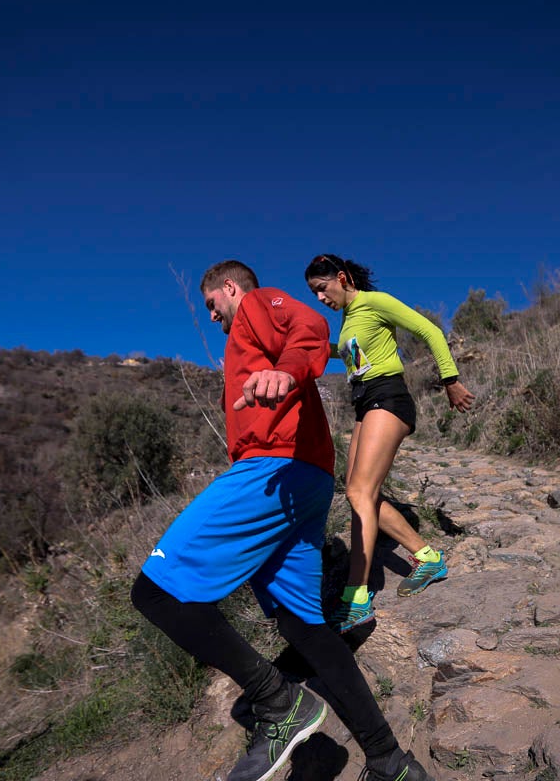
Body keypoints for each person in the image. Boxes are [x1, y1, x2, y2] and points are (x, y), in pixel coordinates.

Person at [130, 260, 432, 781]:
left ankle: (278, 704)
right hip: (304, 481)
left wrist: (286, 370)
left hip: (272, 471)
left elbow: (309, 327)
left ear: (229, 288)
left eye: (210, 304)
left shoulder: (255, 303)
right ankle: (390, 762)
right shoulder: (248, 336)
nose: (212, 316)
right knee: (305, 628)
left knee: (156, 592)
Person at [304, 254, 475, 633]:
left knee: (361, 492)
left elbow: (428, 330)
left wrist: (450, 380)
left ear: (342, 278)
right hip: (364, 403)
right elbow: (351, 355)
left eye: (322, 289)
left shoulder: (374, 302)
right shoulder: (350, 321)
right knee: (358, 493)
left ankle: (357, 596)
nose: (320, 298)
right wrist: (315, 347)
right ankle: (428, 558)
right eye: (314, 293)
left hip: (388, 396)